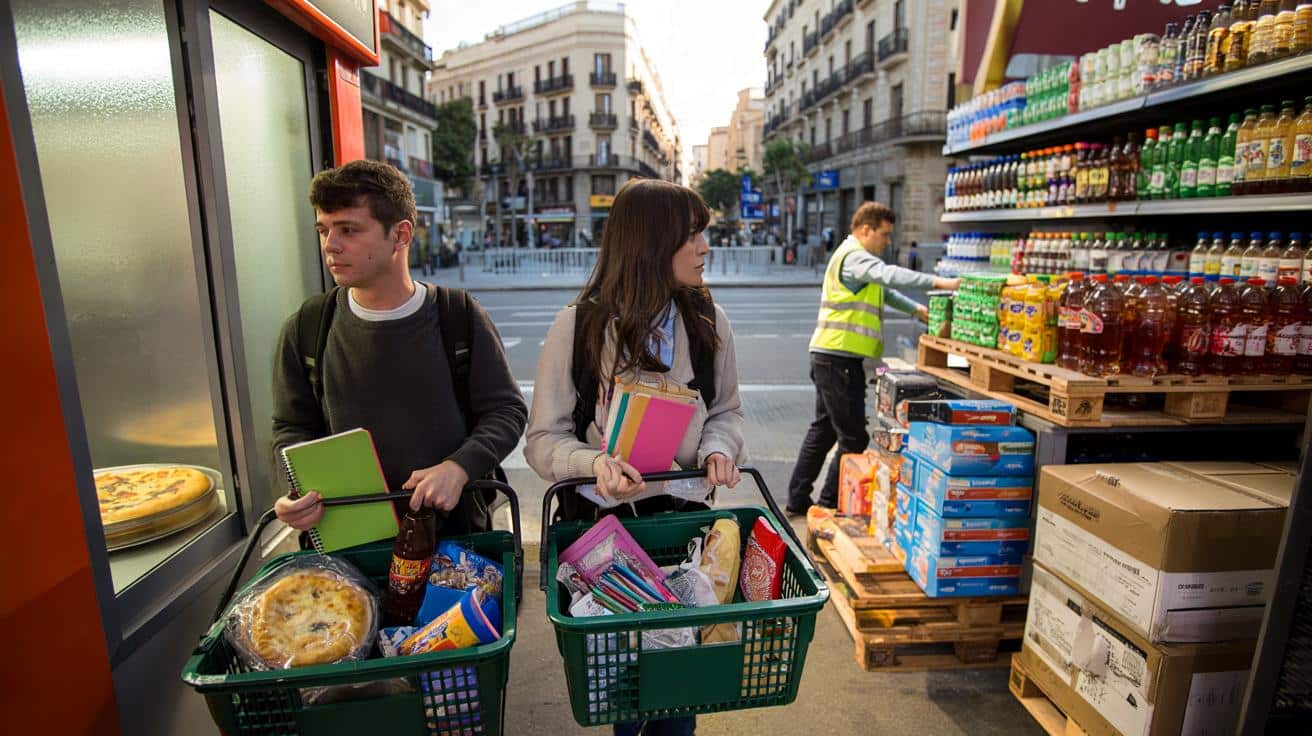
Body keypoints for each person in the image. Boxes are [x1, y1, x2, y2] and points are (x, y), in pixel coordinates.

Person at [525, 178, 746, 736]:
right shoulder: (577, 327)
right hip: (604, 538)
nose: (705, 248)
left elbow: (727, 412)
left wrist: (718, 450)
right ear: (650, 243)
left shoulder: (707, 322)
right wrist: (592, 463)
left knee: (679, 691)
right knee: (623, 689)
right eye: (691, 235)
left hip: (684, 531)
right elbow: (543, 439)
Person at [272, 159, 527, 535]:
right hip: (349, 541)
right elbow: (290, 428)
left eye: (349, 230)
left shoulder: (458, 317)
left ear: (401, 235)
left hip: (453, 540)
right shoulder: (307, 327)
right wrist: (294, 488)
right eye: (324, 230)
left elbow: (506, 411)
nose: (331, 245)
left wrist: (459, 467)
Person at [785, 202, 958, 515]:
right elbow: (889, 276)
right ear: (866, 229)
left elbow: (885, 292)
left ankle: (798, 499)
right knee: (853, 437)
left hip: (831, 356)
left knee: (824, 430)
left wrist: (917, 310)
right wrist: (940, 283)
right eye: (884, 234)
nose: (887, 242)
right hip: (838, 359)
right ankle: (827, 504)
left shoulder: (855, 260)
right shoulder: (854, 257)